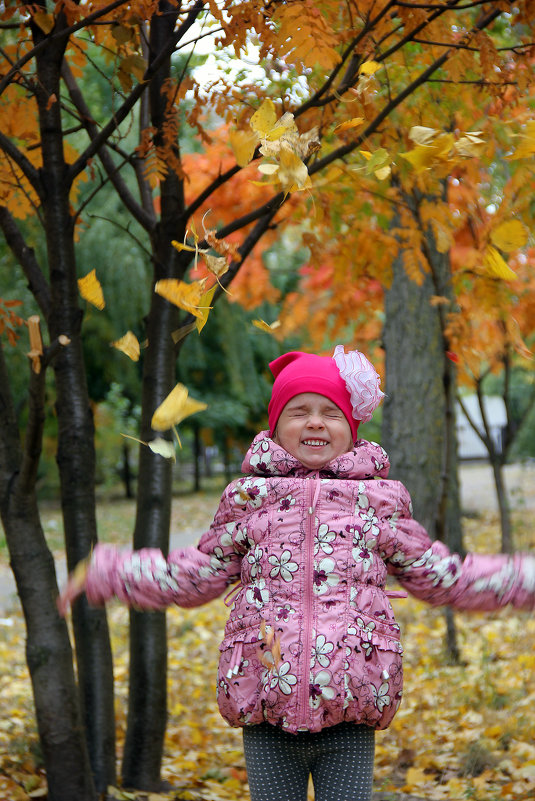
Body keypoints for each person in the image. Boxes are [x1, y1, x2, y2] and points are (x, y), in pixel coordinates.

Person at [58, 345, 535, 801]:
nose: (315, 422)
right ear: (276, 424)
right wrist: (109, 572)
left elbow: (440, 574)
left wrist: (522, 579)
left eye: (330, 412)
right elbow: (197, 573)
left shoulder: (380, 501)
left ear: (352, 426)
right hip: (267, 703)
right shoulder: (249, 499)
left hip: (350, 707)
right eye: (298, 410)